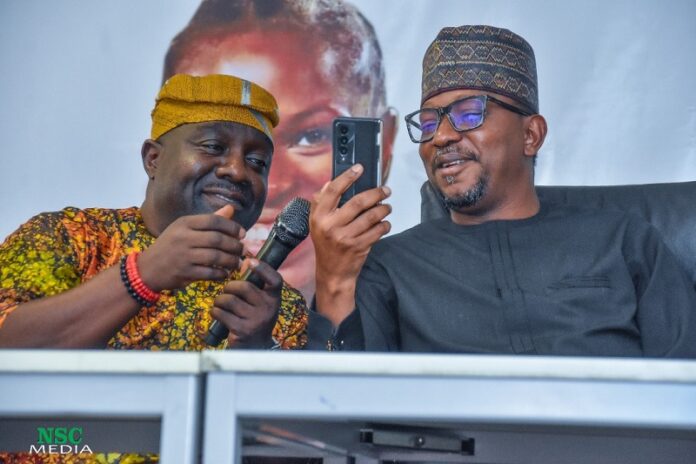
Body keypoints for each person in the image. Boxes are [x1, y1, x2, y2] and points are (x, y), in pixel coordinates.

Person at [308, 25, 696, 357]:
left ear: (531, 135)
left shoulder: (623, 241)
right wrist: (334, 278)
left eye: (468, 113)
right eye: (428, 123)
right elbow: (344, 407)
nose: (441, 137)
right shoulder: (391, 264)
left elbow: (683, 390)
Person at [0, 73, 308, 351]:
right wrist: (141, 275)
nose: (238, 171)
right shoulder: (71, 238)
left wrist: (254, 348)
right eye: (214, 147)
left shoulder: (276, 305)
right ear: (153, 159)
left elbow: (305, 412)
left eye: (257, 162)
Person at [161, 0, 397, 300]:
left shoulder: (410, 292)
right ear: (155, 157)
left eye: (311, 136)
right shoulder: (99, 250)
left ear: (384, 144)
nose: (270, 186)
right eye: (213, 145)